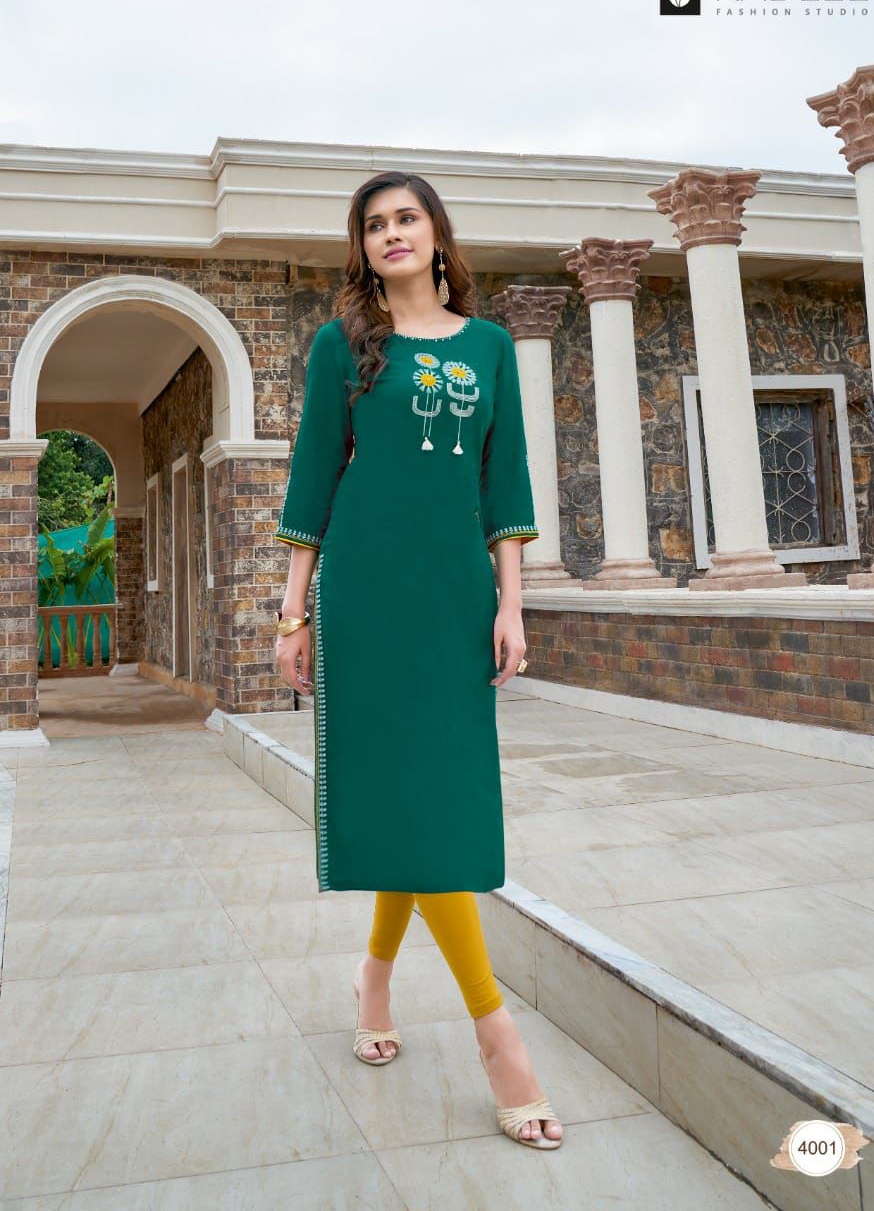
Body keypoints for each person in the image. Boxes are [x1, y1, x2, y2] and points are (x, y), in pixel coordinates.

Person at [273, 170, 563, 1149]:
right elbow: (314, 473)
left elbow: (505, 479)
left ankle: (375, 978)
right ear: (361, 246)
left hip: (452, 598)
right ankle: (497, 1035)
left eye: (406, 217)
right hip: (365, 591)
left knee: (435, 798)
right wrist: (292, 612)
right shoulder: (342, 344)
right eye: (373, 224)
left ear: (437, 232)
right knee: (410, 797)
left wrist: (511, 603)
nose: (391, 233)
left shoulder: (489, 346)